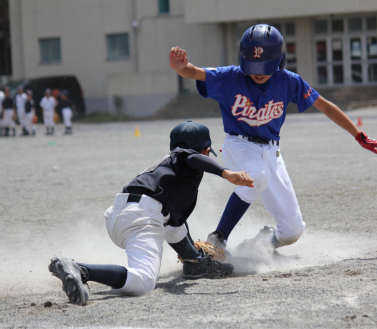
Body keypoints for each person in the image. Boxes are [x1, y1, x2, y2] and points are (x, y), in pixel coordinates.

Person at [168, 24, 377, 253]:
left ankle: (258, 248)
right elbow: (195, 72)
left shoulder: (289, 81)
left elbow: (325, 106)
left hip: (272, 153)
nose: (257, 72)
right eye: (252, 65)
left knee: (292, 230)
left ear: (279, 60)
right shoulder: (231, 77)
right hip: (239, 145)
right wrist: (182, 67)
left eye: (264, 66)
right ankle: (218, 238)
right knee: (257, 175)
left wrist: (359, 135)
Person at [48, 120, 254, 305]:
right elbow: (193, 158)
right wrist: (225, 172)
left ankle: (194, 263)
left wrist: (194, 256)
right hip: (141, 219)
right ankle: (81, 270)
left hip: (123, 213)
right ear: (205, 150)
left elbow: (175, 223)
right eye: (207, 152)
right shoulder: (185, 157)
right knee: (144, 282)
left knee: (172, 223)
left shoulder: (167, 167)